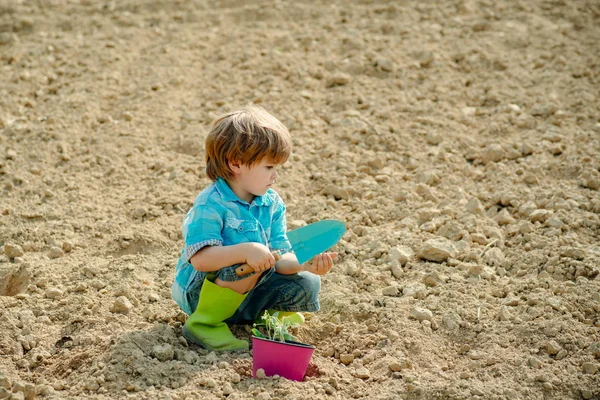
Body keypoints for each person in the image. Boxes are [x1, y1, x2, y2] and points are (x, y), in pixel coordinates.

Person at [171, 105, 337, 351]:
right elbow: (201, 260)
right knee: (248, 267)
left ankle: (264, 317)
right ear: (236, 163)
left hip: (250, 290)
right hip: (202, 293)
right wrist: (247, 250)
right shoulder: (211, 204)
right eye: (268, 167)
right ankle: (204, 324)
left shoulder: (271, 204)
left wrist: (304, 263)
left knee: (307, 281)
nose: (275, 175)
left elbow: (280, 257)